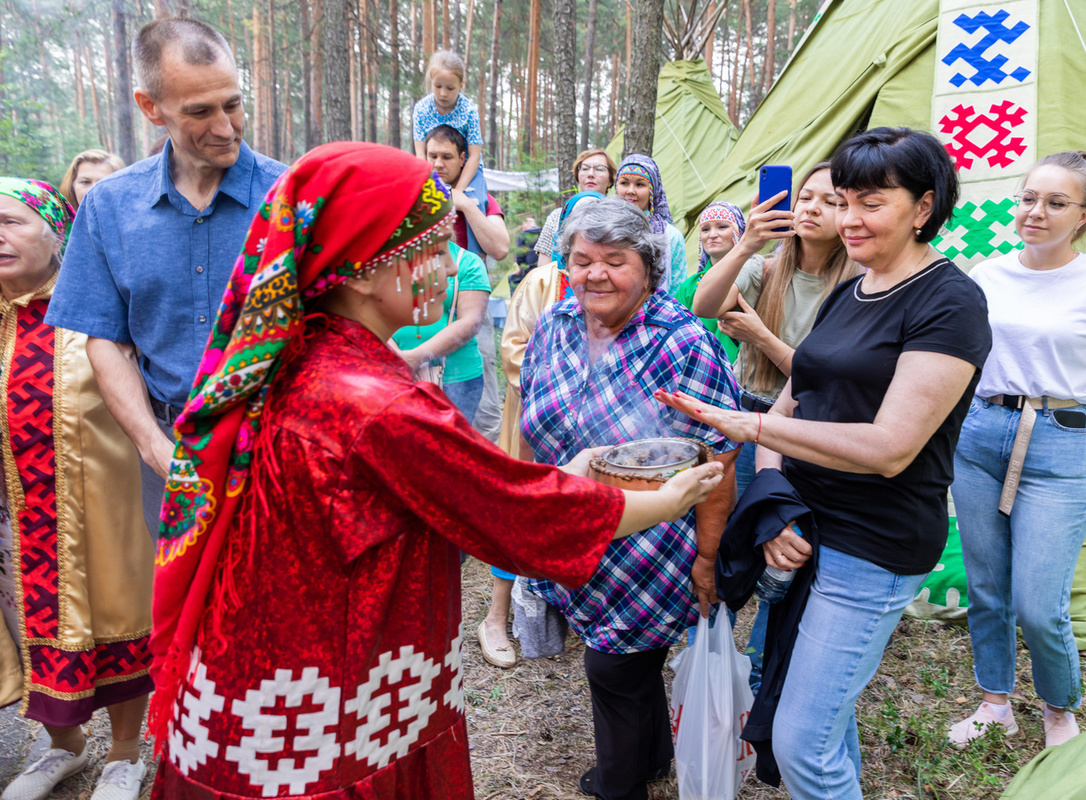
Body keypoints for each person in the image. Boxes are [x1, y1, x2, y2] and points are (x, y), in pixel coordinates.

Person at [146, 142, 725, 799]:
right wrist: (669, 499)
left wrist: (567, 472)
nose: (449, 267)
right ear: (363, 271)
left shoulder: (307, 355)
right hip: (331, 704)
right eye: (430, 248)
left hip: (268, 673)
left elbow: (455, 488)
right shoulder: (376, 402)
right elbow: (509, 513)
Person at [657, 127, 992, 799]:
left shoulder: (949, 302)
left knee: (801, 744)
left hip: (872, 542)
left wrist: (748, 427)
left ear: (923, 208)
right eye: (843, 202)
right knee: (821, 720)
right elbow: (796, 398)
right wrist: (776, 501)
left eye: (871, 202)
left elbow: (892, 446)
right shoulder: (853, 289)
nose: (849, 219)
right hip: (805, 529)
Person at [521, 198, 741, 800]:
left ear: (647, 266)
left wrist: (706, 555)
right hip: (580, 531)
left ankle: (620, 783)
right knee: (628, 664)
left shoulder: (683, 340)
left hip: (653, 544)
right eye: (582, 259)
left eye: (613, 261)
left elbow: (720, 458)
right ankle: (651, 757)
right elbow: (530, 416)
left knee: (614, 667)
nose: (594, 274)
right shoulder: (557, 321)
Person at [45, 17, 287, 541]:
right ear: (150, 107)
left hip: (282, 441)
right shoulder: (109, 207)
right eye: (199, 112)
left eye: (233, 104)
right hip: (170, 446)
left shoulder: (293, 196)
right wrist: (154, 448)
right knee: (188, 611)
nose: (224, 128)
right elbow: (104, 341)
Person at [948, 151, 1086, 750]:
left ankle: (1059, 707)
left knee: (1039, 601)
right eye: (1029, 197)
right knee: (987, 584)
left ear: (1083, 215)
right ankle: (995, 701)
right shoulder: (986, 276)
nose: (1036, 211)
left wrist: (1067, 437)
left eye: (1056, 202)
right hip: (981, 434)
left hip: (1059, 443)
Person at [0, 179, 153, 800]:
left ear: (54, 231)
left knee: (118, 616)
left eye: (10, 222)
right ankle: (62, 745)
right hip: (20, 518)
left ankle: (124, 753)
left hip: (109, 507)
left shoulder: (99, 302)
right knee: (35, 627)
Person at [690, 164, 857, 692]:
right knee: (724, 540)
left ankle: (763, 667)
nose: (810, 207)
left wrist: (761, 335)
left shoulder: (854, 282)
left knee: (783, 553)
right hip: (744, 413)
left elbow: (824, 384)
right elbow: (703, 305)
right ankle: (709, 649)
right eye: (804, 196)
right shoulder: (765, 268)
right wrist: (744, 246)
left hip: (808, 429)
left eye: (828, 201)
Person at [489, 190, 606, 667]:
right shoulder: (541, 281)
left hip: (593, 427)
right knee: (518, 512)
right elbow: (514, 349)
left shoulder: (612, 283)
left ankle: (565, 613)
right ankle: (495, 616)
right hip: (535, 421)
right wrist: (568, 384)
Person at [423, 123, 507, 443]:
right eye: (432, 156)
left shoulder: (481, 199)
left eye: (446, 157)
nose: (438, 164)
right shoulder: (414, 195)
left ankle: (485, 454)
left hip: (470, 300)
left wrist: (466, 205)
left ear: (463, 159)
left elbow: (499, 248)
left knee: (482, 389)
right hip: (421, 304)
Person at [391, 241, 491, 424]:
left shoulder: (467, 262)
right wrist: (394, 356)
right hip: (390, 368)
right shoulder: (387, 256)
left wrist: (413, 358)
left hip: (454, 377)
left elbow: (471, 321)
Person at [412, 50, 487, 203]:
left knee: (474, 202)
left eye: (450, 88)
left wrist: (458, 191)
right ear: (431, 82)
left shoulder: (469, 112)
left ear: (461, 85)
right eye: (438, 86)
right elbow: (420, 154)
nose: (443, 93)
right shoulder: (421, 109)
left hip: (467, 171)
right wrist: (431, 183)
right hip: (434, 168)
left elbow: (474, 156)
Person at [674, 201, 743, 364]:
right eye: (705, 229)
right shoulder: (689, 286)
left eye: (722, 227)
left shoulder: (753, 277)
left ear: (738, 232)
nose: (712, 234)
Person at [614, 154, 688, 296]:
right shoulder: (603, 229)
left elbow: (677, 291)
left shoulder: (670, 237)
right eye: (624, 183)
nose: (630, 190)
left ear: (652, 191)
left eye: (640, 184)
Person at [534, 148, 618, 266]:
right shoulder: (556, 217)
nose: (590, 174)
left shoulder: (619, 216)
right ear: (577, 176)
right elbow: (544, 271)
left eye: (599, 169)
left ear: (611, 180)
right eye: (585, 168)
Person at [58, 149, 126, 209]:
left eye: (103, 183)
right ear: (72, 186)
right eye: (85, 182)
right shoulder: (59, 221)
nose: (93, 190)